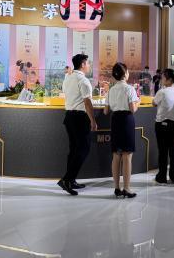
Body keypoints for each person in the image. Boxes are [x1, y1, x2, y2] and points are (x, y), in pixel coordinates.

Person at [58, 54, 97, 196]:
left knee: (74, 150)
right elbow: (87, 103)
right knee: (83, 149)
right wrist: (93, 120)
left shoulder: (68, 77)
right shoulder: (83, 81)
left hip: (69, 117)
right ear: (83, 64)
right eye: (88, 63)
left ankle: (71, 180)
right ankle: (67, 179)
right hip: (80, 118)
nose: (89, 65)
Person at [104, 62, 140, 198]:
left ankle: (116, 188)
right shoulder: (129, 89)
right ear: (125, 74)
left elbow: (106, 111)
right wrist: (138, 102)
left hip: (115, 120)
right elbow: (133, 109)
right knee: (127, 155)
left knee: (116, 155)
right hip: (126, 120)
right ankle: (127, 188)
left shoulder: (111, 90)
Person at [153, 69, 174, 185]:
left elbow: (154, 103)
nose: (161, 79)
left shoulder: (162, 92)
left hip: (162, 123)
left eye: (163, 77)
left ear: (169, 79)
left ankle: (162, 176)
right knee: (173, 149)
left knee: (163, 151)